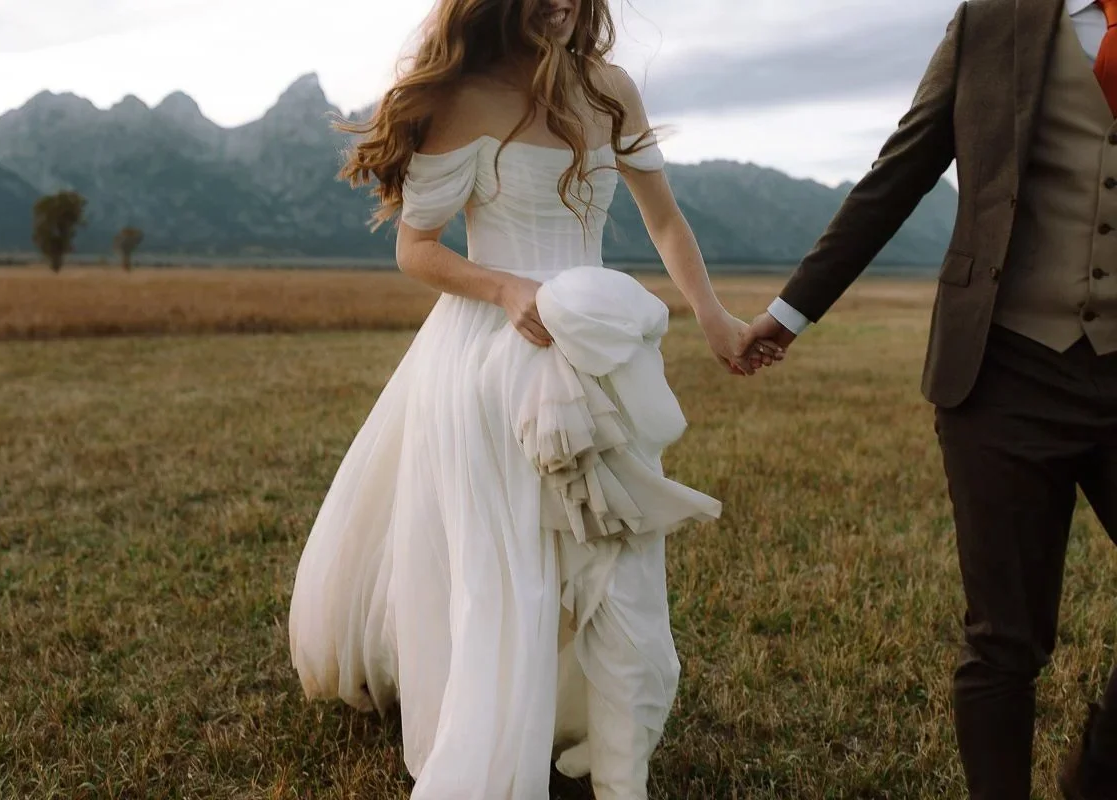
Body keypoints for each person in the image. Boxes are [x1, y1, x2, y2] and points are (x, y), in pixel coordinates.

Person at [287, 1, 781, 797]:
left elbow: (666, 219)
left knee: (613, 555)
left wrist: (715, 319)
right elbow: (417, 249)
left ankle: (614, 749)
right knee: (511, 560)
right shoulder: (464, 94)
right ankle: (493, 735)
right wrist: (507, 288)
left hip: (596, 354)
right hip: (490, 351)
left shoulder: (612, 88)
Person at [739, 1, 1117, 797]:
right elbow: (902, 167)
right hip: (1005, 368)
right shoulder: (992, 19)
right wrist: (790, 311)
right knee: (1005, 642)